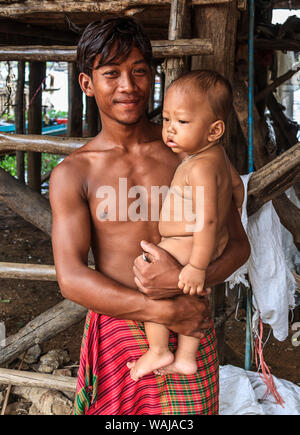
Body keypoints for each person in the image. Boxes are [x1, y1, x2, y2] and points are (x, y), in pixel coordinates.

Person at [49, 17, 250, 415]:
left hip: (189, 325)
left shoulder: (194, 154)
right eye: (112, 74)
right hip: (119, 326)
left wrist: (189, 281)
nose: (128, 85)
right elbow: (71, 277)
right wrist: (162, 309)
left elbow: (238, 245)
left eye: (139, 71)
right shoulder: (75, 173)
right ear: (87, 83)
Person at [127, 70, 244, 382]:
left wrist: (196, 266)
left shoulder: (200, 167)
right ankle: (186, 359)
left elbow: (206, 221)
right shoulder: (217, 156)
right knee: (194, 300)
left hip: (188, 243)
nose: (169, 130)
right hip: (197, 243)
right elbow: (236, 186)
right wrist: (238, 204)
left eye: (181, 122)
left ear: (214, 129)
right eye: (166, 119)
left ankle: (158, 349)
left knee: (151, 288)